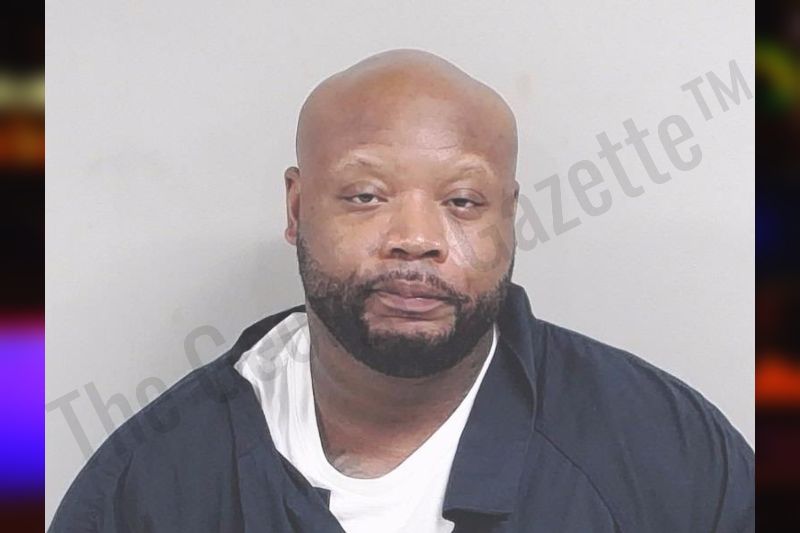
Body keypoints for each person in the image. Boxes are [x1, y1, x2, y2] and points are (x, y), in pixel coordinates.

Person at [49, 49, 754, 532]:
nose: (416, 238)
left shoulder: (669, 455)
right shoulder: (152, 483)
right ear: (296, 208)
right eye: (365, 195)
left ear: (509, 217)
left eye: (463, 201)